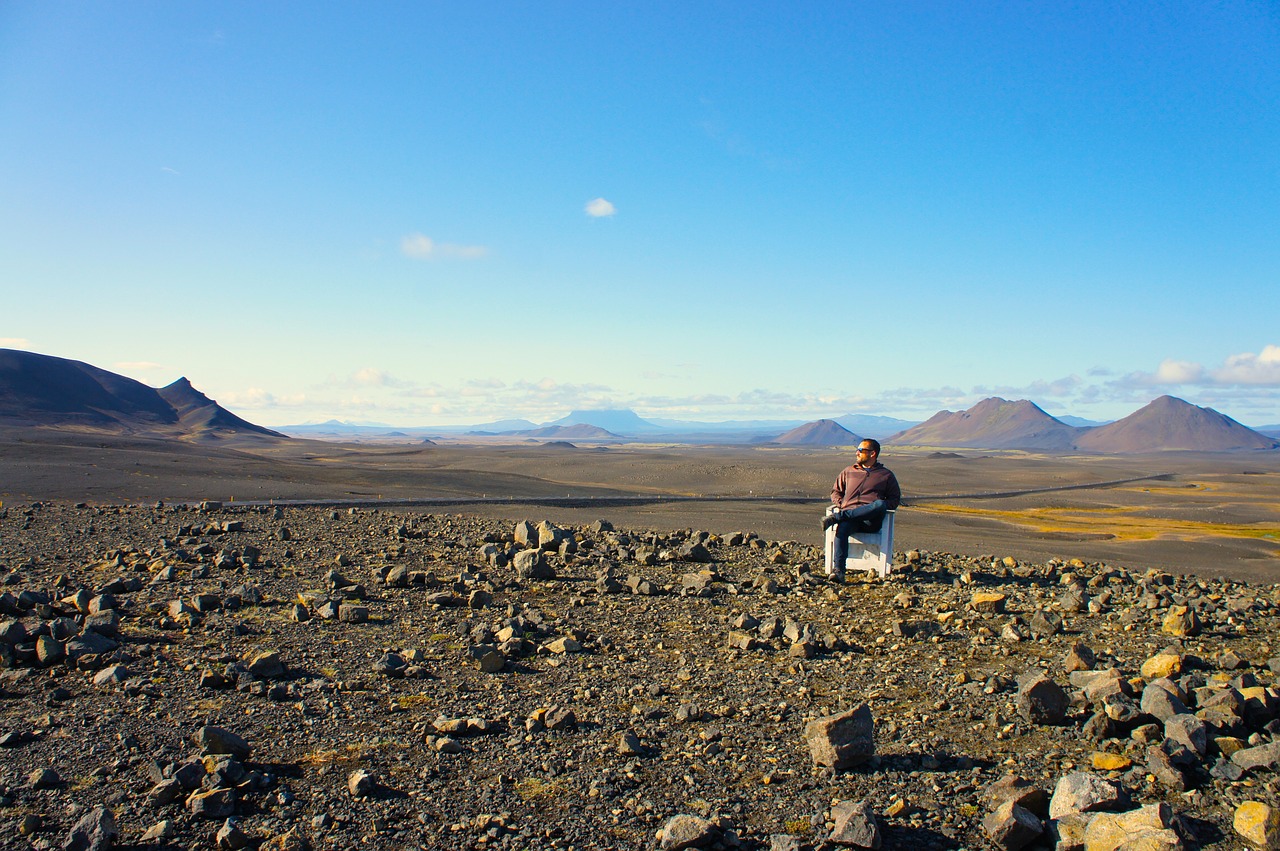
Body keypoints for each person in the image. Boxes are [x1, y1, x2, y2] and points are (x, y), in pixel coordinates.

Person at [823, 438, 901, 580]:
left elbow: (894, 499)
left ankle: (838, 517)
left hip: (870, 521)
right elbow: (835, 491)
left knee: (879, 504)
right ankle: (839, 571)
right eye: (857, 450)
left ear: (872, 454)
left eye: (861, 450)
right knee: (842, 529)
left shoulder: (886, 475)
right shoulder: (848, 471)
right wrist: (841, 504)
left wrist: (878, 508)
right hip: (851, 519)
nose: (857, 453)